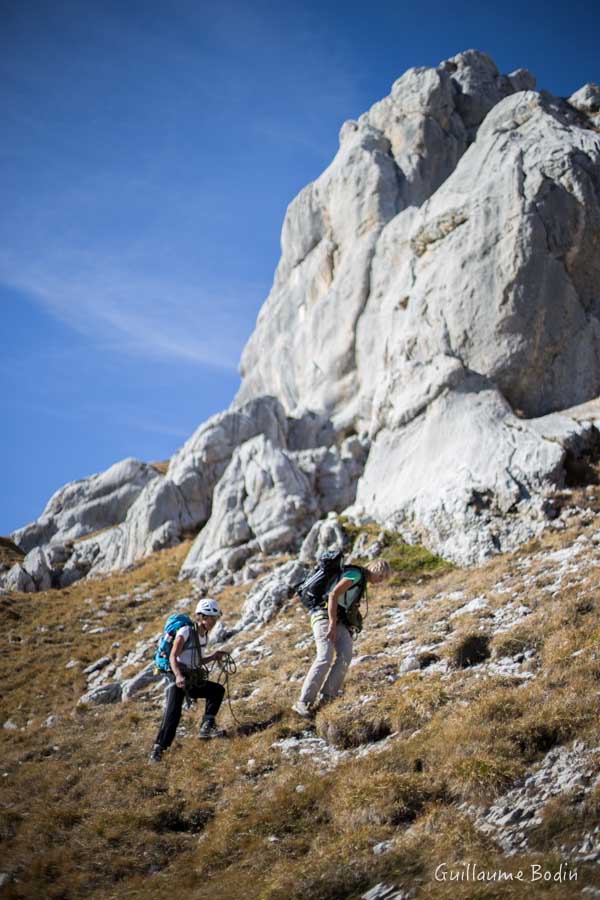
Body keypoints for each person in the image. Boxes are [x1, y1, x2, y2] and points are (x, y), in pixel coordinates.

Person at [292, 558, 392, 717]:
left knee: (345, 655)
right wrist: (331, 624)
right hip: (324, 616)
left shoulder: (362, 582)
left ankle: (328, 697)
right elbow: (333, 595)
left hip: (338, 620)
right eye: (381, 576)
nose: (381, 581)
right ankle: (303, 702)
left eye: (384, 579)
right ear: (375, 570)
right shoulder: (356, 575)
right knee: (325, 656)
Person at [149, 598, 228, 763]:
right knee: (173, 713)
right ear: (199, 616)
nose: (212, 622)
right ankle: (158, 749)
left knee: (216, 690)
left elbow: (196, 661)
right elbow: (173, 655)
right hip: (175, 675)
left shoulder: (204, 637)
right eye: (208, 618)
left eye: (214, 618)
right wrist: (178, 675)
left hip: (190, 676)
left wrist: (213, 657)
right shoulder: (185, 631)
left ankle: (207, 726)